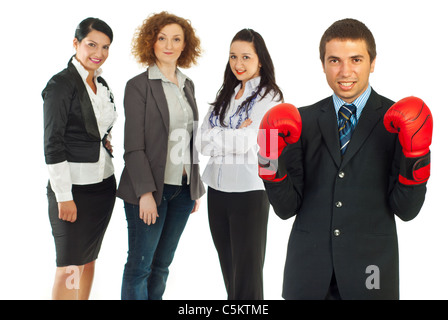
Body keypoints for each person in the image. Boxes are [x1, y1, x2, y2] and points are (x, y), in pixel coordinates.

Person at [257, 18, 432, 299]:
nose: (345, 71)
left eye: (356, 60)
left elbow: (407, 210)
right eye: (335, 60)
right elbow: (286, 208)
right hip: (308, 271)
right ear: (323, 64)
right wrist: (267, 156)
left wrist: (417, 155)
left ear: (372, 63)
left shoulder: (399, 120)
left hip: (370, 272)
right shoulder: (301, 120)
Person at [116, 12, 205, 300]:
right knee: (140, 267)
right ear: (151, 42)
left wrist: (194, 187)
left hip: (182, 192)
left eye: (176, 39)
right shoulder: (138, 85)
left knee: (162, 266)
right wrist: (145, 193)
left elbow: (190, 138)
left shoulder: (187, 84)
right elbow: (133, 146)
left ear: (184, 46)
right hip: (150, 190)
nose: (169, 45)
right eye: (162, 38)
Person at [196, 28, 284, 300]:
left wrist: (219, 133)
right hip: (218, 193)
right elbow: (200, 142)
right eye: (233, 56)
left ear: (260, 60)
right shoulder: (227, 93)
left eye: (246, 57)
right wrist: (231, 135)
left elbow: (248, 143)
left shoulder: (270, 97)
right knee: (229, 272)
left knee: (246, 276)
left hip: (249, 193)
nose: (238, 63)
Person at [42, 17, 117, 300]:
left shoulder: (101, 82)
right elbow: (53, 143)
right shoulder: (61, 84)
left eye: (106, 47)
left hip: (103, 186)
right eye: (92, 45)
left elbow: (97, 128)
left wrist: (104, 142)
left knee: (88, 260)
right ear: (76, 43)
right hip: (74, 191)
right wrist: (64, 196)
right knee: (69, 267)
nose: (99, 53)